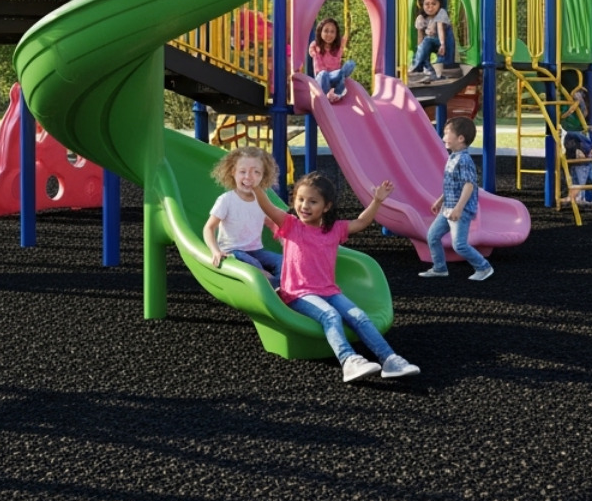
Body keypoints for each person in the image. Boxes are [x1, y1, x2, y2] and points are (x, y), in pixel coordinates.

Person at [256, 171, 421, 383]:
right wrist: (256, 187)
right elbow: (268, 207)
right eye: (300, 199)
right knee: (331, 316)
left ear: (326, 206)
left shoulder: (334, 230)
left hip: (329, 291)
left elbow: (361, 222)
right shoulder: (291, 225)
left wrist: (377, 201)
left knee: (359, 316)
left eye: (313, 201)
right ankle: (348, 360)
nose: (305, 206)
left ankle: (389, 359)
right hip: (298, 293)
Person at [421, 116, 494, 281]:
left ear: (460, 138)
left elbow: (469, 185)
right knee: (432, 236)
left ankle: (484, 267)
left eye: (447, 134)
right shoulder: (453, 157)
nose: (443, 138)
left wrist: (459, 208)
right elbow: (453, 184)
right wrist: (441, 200)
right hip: (447, 207)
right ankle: (439, 268)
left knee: (459, 245)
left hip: (460, 209)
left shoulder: (464, 160)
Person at [202, 145, 282, 288]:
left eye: (256, 172)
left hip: (256, 251)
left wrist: (286, 242)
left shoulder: (262, 201)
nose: (248, 177)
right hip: (232, 251)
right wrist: (215, 251)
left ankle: (281, 286)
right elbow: (209, 228)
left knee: (284, 262)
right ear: (233, 172)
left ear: (263, 176)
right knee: (255, 266)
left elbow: (273, 224)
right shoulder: (226, 200)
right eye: (242, 171)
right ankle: (274, 286)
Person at [307, 17, 356, 104]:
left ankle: (337, 92)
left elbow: (347, 34)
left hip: (334, 76)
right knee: (324, 74)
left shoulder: (338, 47)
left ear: (336, 34)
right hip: (321, 78)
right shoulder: (315, 45)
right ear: (320, 32)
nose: (329, 34)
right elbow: (311, 53)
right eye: (326, 31)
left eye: (332, 32)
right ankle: (329, 95)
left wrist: (349, 21)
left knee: (350, 64)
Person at [408, 0, 450, 84]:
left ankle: (415, 66)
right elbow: (420, 37)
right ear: (422, 5)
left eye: (434, 4)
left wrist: (442, 44)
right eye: (427, 4)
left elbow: (440, 28)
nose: (430, 7)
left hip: (445, 41)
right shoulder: (421, 18)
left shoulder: (441, 12)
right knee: (423, 47)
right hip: (431, 43)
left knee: (427, 40)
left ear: (439, 4)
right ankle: (430, 72)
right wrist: (420, 51)